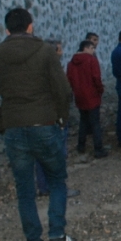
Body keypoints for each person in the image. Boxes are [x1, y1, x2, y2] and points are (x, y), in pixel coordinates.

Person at [0, 8, 77, 241]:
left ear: (7, 30)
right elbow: (63, 90)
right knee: (56, 179)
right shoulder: (45, 52)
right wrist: (60, 118)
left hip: (14, 129)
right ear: (31, 27)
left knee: (25, 190)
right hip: (44, 124)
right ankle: (57, 234)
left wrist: (2, 125)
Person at [35, 40, 80, 198]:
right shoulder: (53, 69)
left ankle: (44, 186)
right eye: (60, 50)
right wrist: (62, 117)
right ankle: (58, 188)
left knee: (41, 155)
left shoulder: (36, 68)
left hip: (39, 117)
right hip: (54, 116)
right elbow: (63, 93)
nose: (61, 52)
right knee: (57, 154)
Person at [67, 40, 106, 158]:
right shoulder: (92, 60)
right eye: (92, 48)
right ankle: (98, 149)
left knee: (83, 121)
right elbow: (96, 78)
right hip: (92, 95)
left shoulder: (71, 63)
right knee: (95, 123)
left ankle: (81, 145)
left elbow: (69, 80)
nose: (93, 51)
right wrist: (100, 90)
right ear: (86, 48)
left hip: (79, 96)